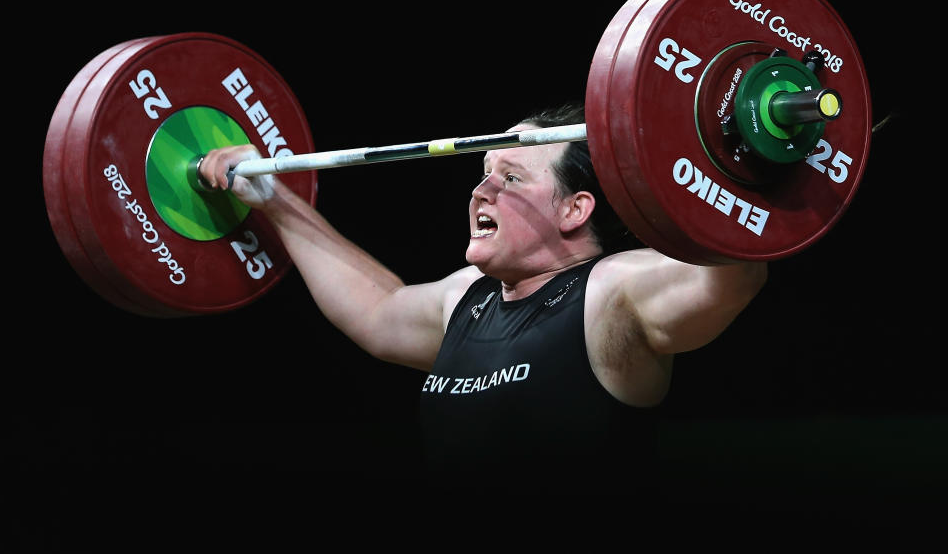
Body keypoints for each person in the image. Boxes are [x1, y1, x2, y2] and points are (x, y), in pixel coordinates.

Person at [198, 103, 767, 493]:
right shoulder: (466, 299)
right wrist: (272, 199)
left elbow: (726, 279)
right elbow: (376, 309)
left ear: (576, 209)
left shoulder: (612, 290)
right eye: (484, 171)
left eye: (511, 178)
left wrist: (750, 157)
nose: (480, 190)